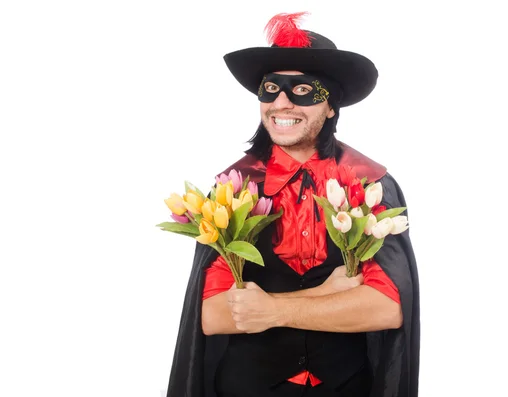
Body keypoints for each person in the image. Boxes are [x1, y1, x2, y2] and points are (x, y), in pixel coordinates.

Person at [166, 12, 420, 397]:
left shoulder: (367, 182)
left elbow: (387, 307)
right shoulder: (236, 189)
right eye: (270, 89)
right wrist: (325, 295)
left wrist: (271, 310)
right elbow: (212, 317)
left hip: (347, 387)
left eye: (302, 90)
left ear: (331, 106)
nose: (281, 102)